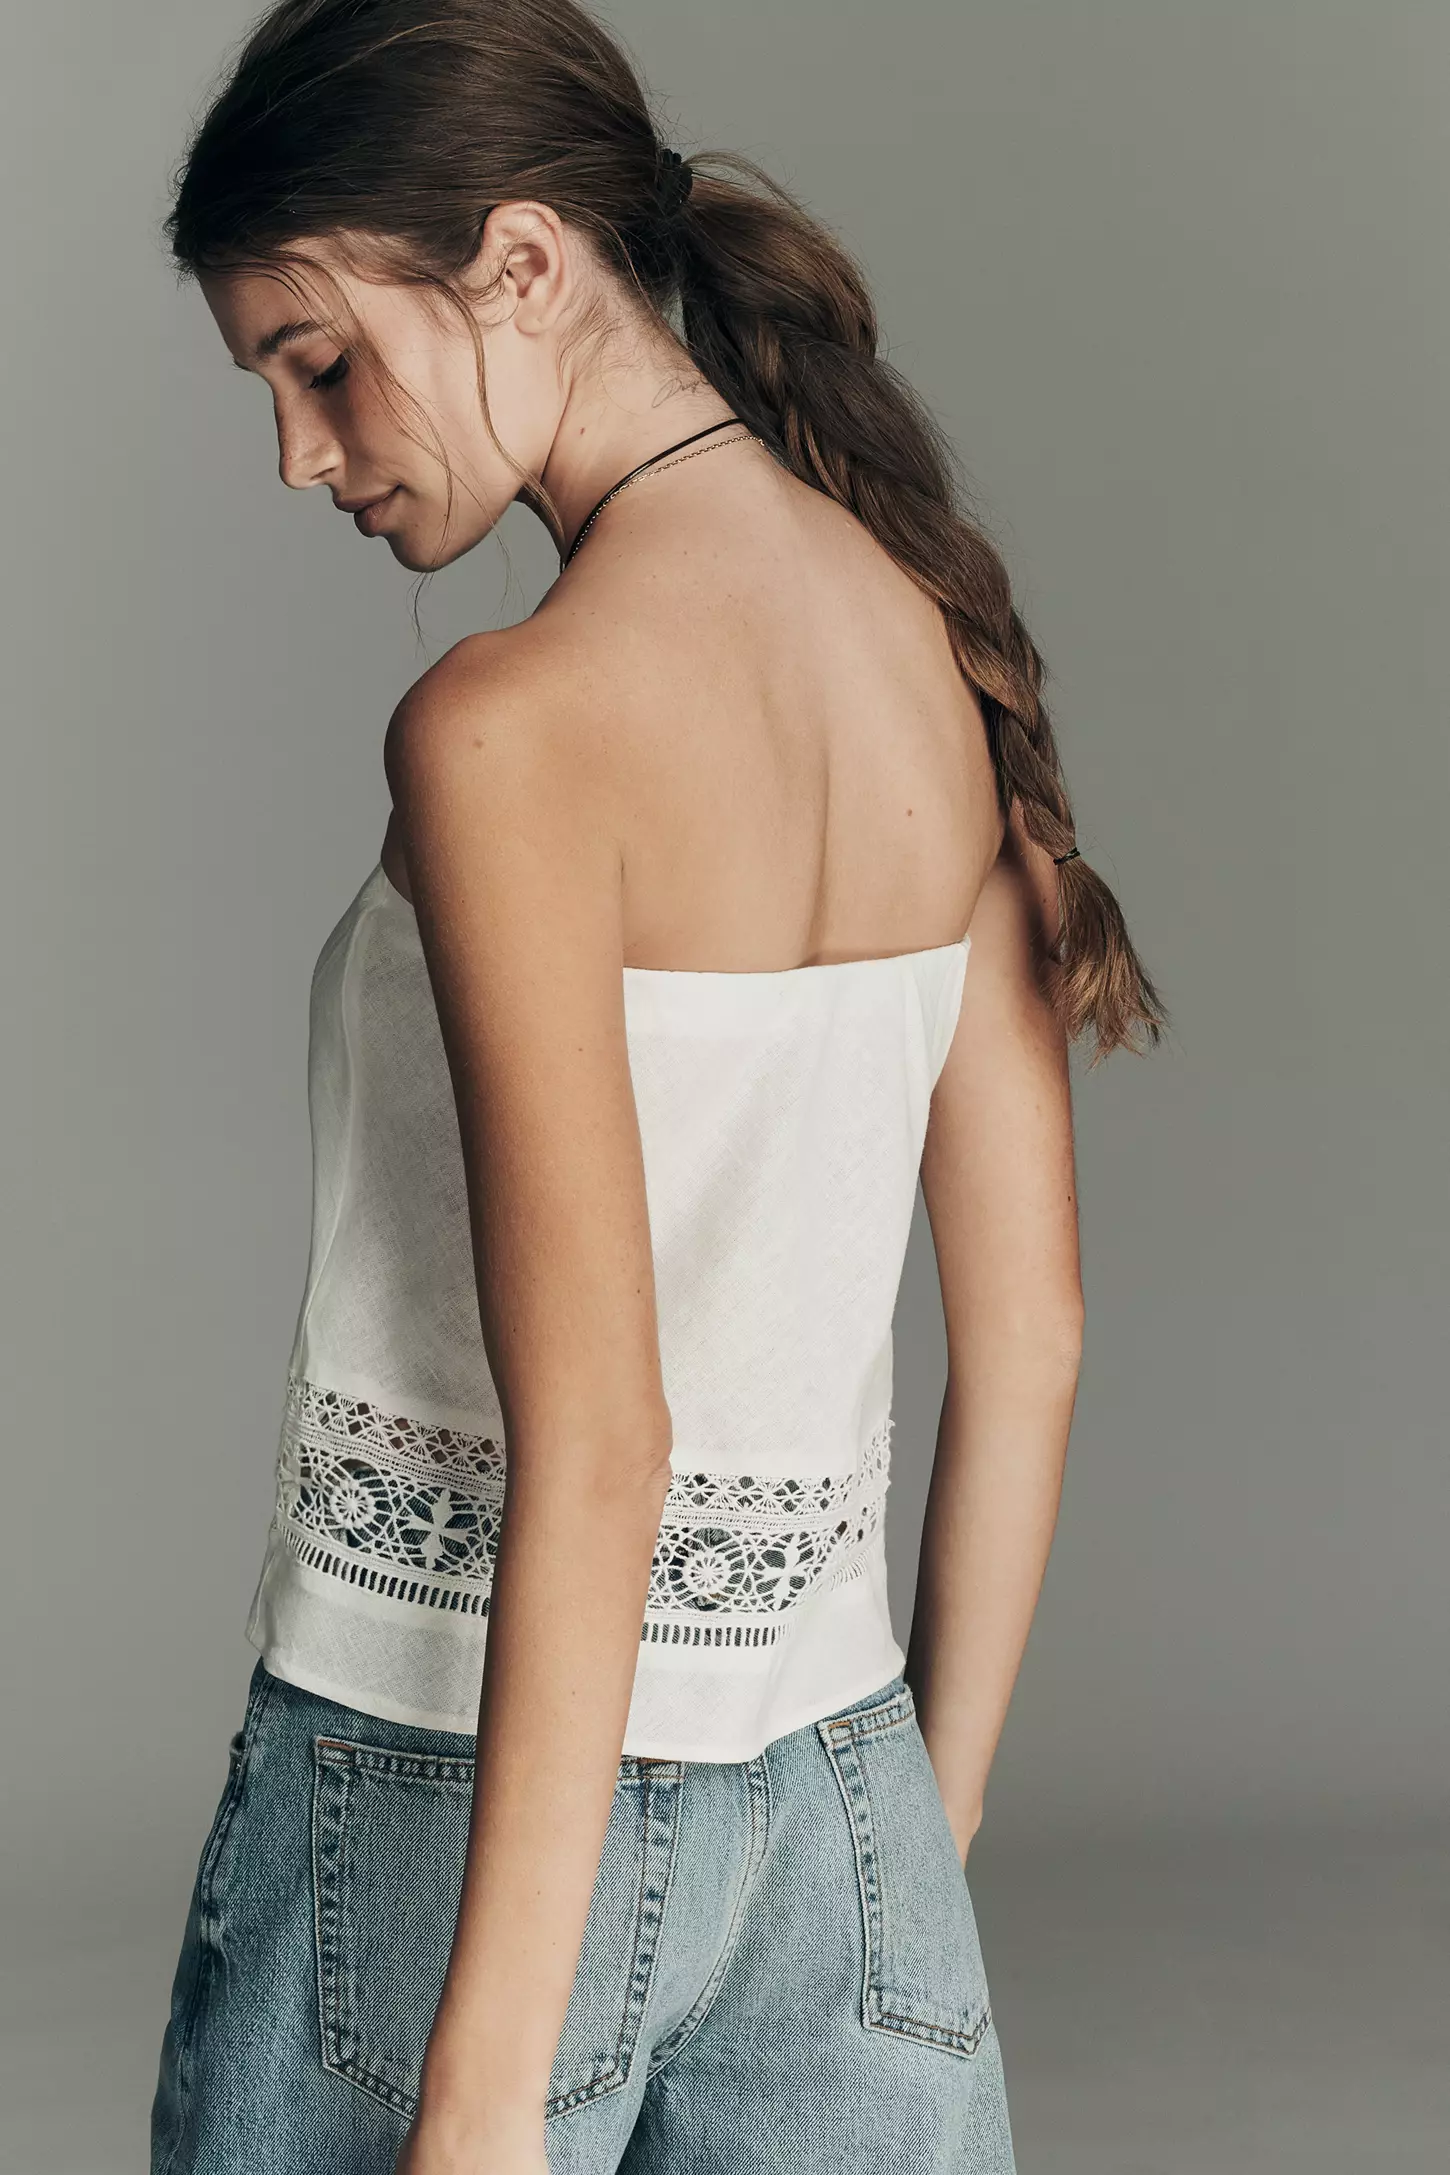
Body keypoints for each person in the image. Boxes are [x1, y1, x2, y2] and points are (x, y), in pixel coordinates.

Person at [150, 3, 1163, 2171]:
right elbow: (1033, 1339)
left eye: (319, 362)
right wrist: (911, 1842)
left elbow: (605, 1437)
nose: (301, 453)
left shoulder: (506, 729)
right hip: (840, 1803)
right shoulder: (923, 642)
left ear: (520, 262)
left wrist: (483, 2094)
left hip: (446, 1797)